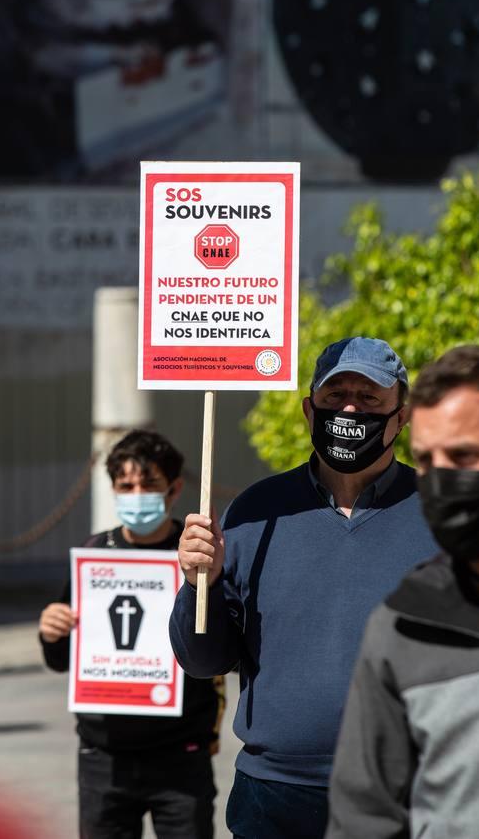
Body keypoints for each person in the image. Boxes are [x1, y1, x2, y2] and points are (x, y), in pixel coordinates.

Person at [169, 336, 437, 839]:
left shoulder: (440, 516)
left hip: (405, 793)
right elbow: (203, 660)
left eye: (370, 398)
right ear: (309, 411)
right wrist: (196, 584)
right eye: (335, 397)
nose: (350, 409)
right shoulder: (256, 511)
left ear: (402, 415)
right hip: (274, 798)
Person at [326, 345, 479, 839]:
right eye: (426, 459)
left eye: (464, 456)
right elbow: (364, 820)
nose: (440, 479)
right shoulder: (405, 623)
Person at [39, 429, 223, 839]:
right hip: (104, 759)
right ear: (113, 490)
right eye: (126, 486)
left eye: (149, 484)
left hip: (180, 757)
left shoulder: (197, 556)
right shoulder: (95, 553)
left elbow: (218, 647)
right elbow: (64, 658)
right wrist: (52, 633)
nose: (136, 493)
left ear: (174, 488)